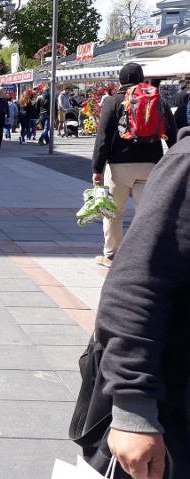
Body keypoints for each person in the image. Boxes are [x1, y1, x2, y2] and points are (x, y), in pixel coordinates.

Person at [76, 125, 190, 479]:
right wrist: (132, 408)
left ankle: (110, 247)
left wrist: (99, 164)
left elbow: (105, 132)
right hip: (173, 404)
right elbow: (135, 282)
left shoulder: (115, 100)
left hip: (122, 165)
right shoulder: (186, 163)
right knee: (149, 227)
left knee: (117, 216)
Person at [91, 62, 178, 268]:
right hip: (151, 164)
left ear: (120, 81)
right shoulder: (159, 101)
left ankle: (111, 255)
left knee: (113, 212)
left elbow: (102, 138)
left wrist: (97, 169)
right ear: (141, 79)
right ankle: (146, 257)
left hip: (120, 166)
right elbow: (172, 135)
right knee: (146, 213)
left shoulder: (113, 102)